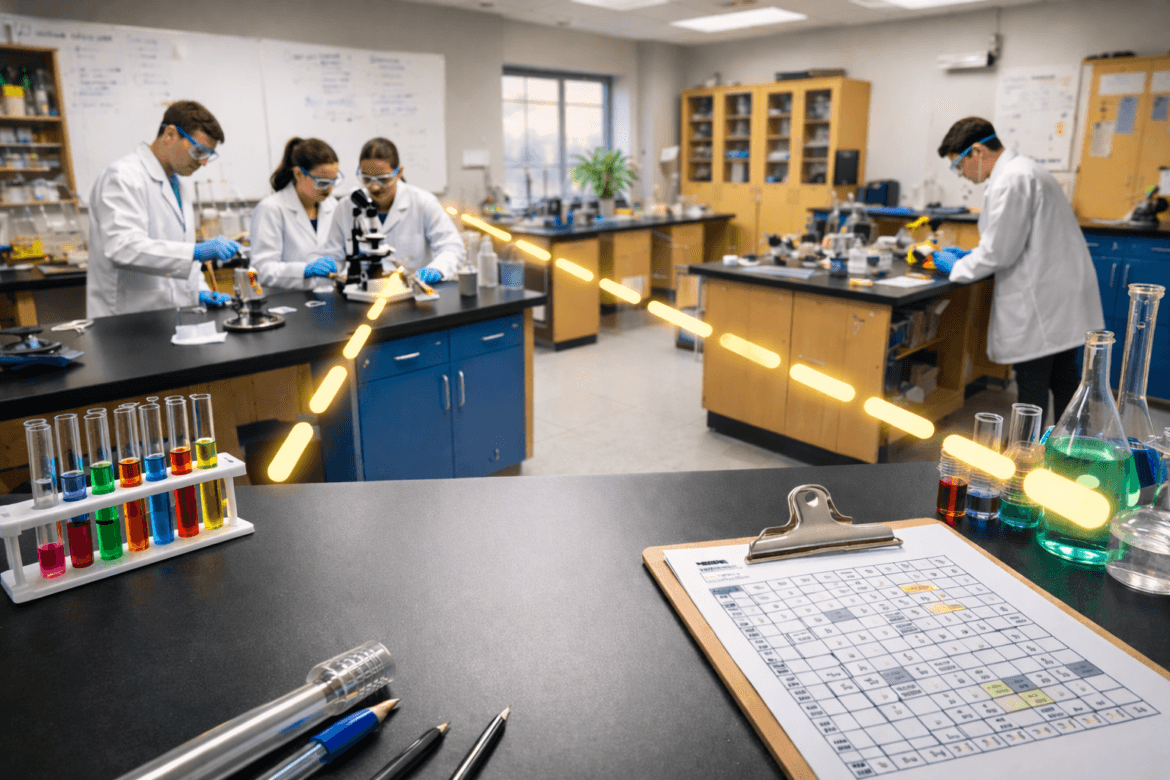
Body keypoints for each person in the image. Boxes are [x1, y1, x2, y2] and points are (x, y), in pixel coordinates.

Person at [933, 117, 1104, 423]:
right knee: (1064, 379)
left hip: (1044, 302)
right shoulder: (1025, 170)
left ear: (977, 152)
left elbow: (999, 251)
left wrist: (959, 266)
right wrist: (976, 254)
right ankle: (1075, 455)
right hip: (1061, 295)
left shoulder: (1012, 179)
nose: (961, 174)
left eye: (958, 165)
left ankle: (1027, 461)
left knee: (1033, 387)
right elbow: (1019, 239)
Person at [87, 100, 240, 318]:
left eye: (208, 155)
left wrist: (200, 291)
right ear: (170, 134)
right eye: (199, 151)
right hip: (127, 318)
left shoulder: (179, 184)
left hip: (171, 315)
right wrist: (195, 252)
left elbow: (181, 252)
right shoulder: (123, 176)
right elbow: (122, 248)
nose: (203, 163)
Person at [321, 137, 463, 283]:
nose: (374, 187)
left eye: (383, 179)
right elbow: (334, 256)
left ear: (399, 172)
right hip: (362, 294)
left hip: (413, 291)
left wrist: (437, 269)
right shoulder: (346, 207)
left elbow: (452, 247)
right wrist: (329, 266)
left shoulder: (423, 203)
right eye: (367, 179)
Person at [250, 138, 342, 292]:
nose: (329, 189)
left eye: (333, 181)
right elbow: (262, 269)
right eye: (322, 182)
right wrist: (304, 270)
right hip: (287, 302)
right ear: (299, 174)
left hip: (328, 297)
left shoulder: (333, 206)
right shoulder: (271, 208)